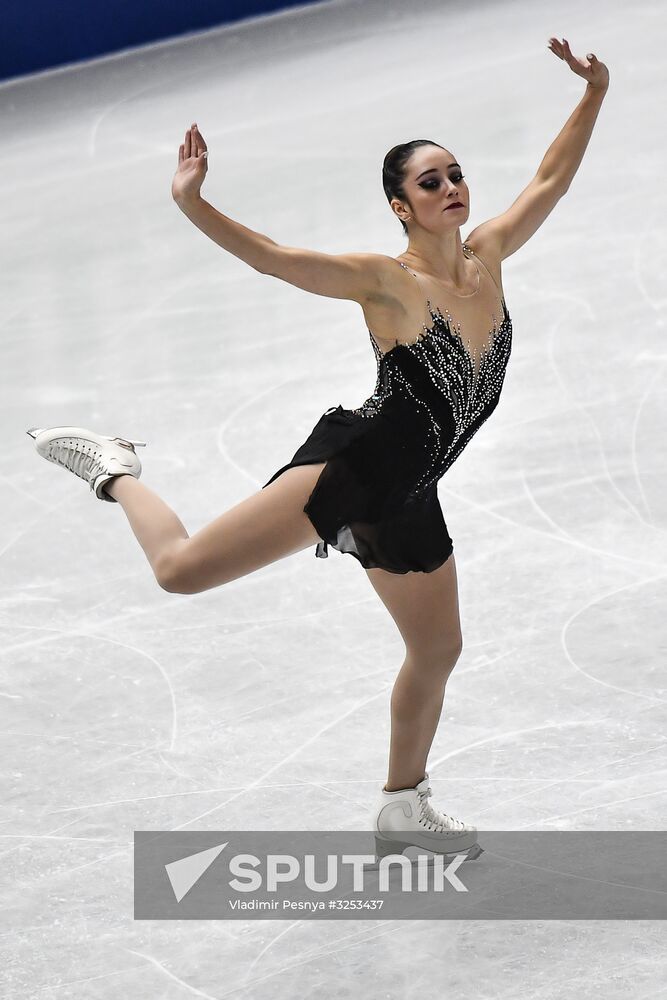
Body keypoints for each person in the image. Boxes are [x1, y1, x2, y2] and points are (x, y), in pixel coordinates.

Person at [26, 38, 609, 862]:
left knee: (437, 649)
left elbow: (549, 179)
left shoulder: (487, 257)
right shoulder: (386, 281)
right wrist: (194, 204)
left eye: (454, 174)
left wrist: (592, 92)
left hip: (411, 490)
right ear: (400, 206)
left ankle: (402, 808)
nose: (450, 187)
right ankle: (114, 468)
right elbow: (276, 261)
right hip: (353, 468)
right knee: (180, 571)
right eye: (429, 181)